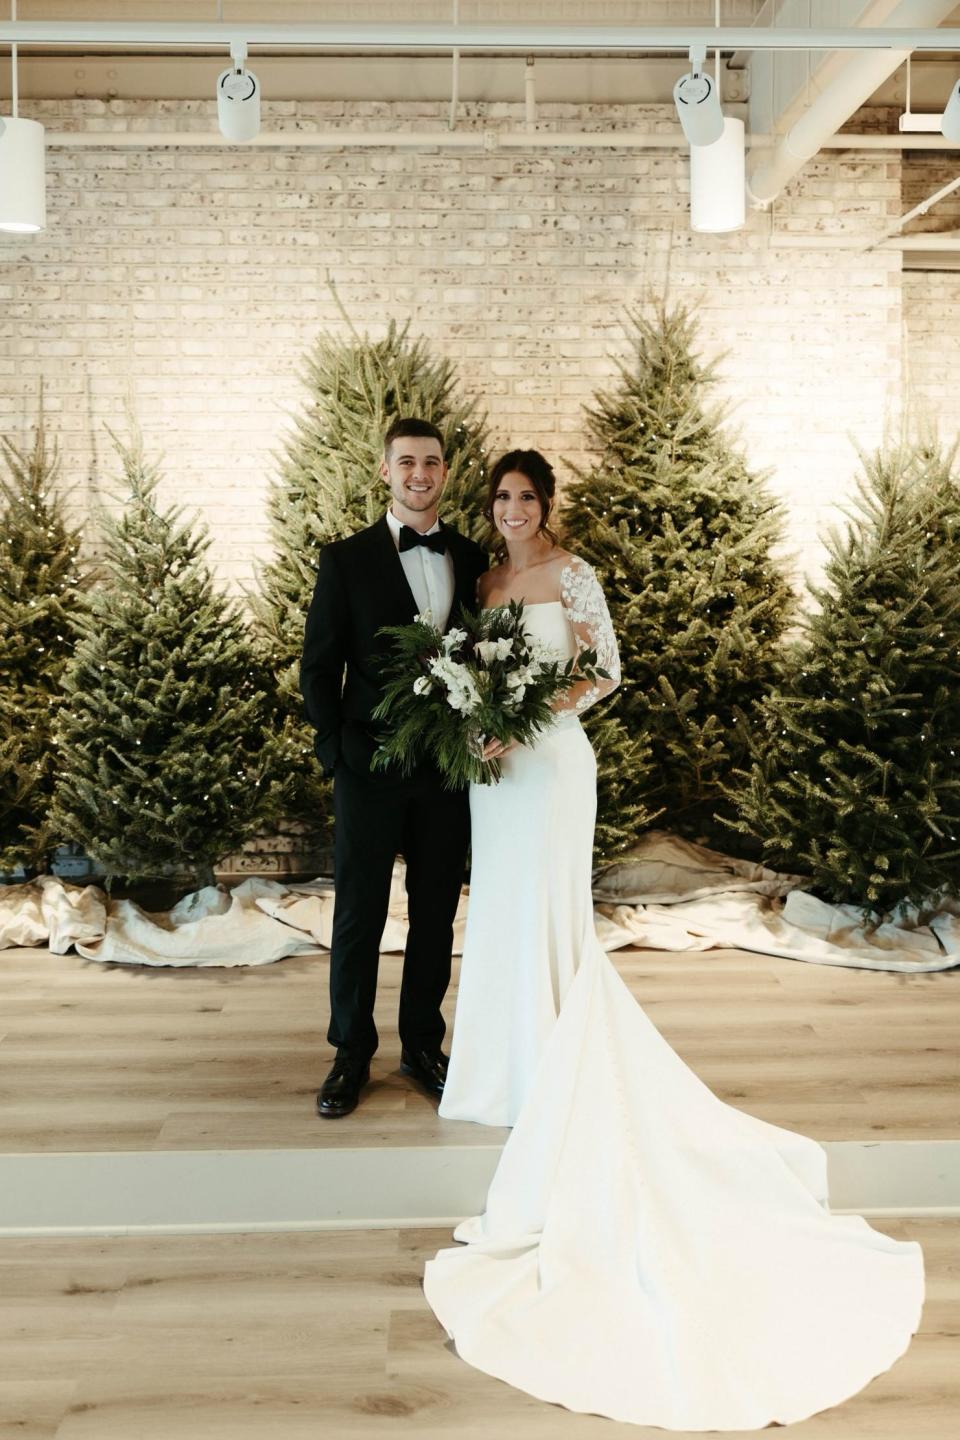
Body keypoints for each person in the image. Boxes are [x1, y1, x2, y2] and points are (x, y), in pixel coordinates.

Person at [425, 449, 924, 1432]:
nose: (514, 509)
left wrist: (526, 719)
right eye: (503, 498)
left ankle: (561, 1054)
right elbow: (478, 667)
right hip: (496, 776)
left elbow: (604, 670)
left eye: (527, 497)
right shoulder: (483, 582)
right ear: (491, 509)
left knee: (551, 908)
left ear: (546, 505)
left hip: (553, 764)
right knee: (506, 907)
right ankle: (500, 1065)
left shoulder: (572, 577)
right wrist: (483, 717)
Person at [300, 417, 487, 1119]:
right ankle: (350, 1052)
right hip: (368, 769)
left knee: (437, 913)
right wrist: (336, 755)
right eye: (406, 461)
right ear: (385, 471)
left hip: (446, 774)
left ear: (445, 472)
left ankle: (420, 1045)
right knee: (359, 915)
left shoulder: (471, 558)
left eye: (431, 462)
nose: (419, 473)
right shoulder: (344, 560)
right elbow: (318, 667)